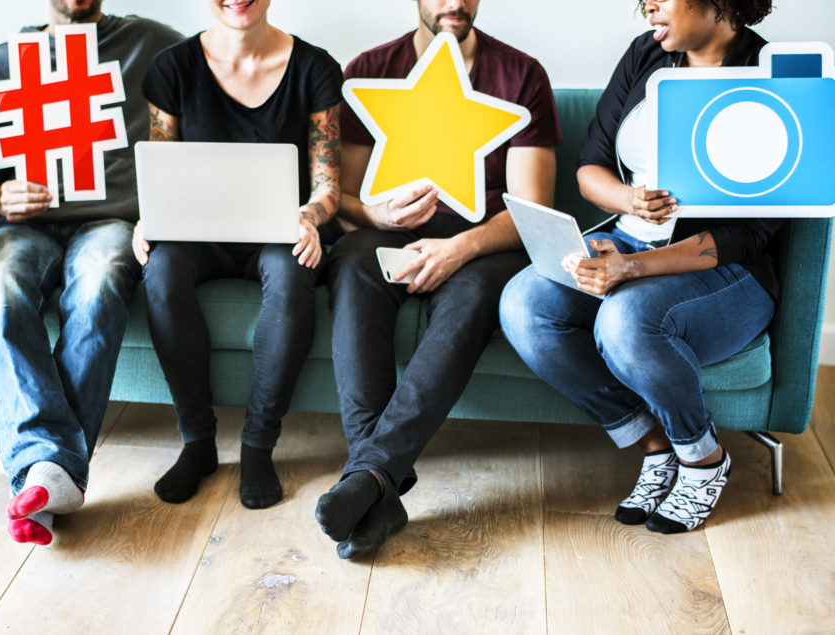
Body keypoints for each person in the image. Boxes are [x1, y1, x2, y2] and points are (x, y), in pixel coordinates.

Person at [500, 0, 780, 533]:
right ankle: (654, 446)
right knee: (524, 302)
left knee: (625, 321)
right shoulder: (645, 55)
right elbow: (591, 166)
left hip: (726, 270)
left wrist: (633, 268)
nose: (646, 5)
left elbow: (750, 234)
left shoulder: (769, 77)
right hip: (627, 237)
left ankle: (702, 459)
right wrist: (629, 201)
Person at [316, 0, 561, 558]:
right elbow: (345, 199)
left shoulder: (521, 75)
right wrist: (379, 217)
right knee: (352, 264)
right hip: (388, 232)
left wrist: (458, 248)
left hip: (485, 243)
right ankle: (377, 487)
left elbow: (531, 209)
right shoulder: (370, 71)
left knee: (475, 295)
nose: (454, 2)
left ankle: (369, 478)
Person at [0, 0, 181, 545]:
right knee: (2, 287)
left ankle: (41, 476)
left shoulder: (152, 43)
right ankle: (52, 470)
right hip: (24, 225)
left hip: (110, 221)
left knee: (101, 281)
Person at [132, 0, 342, 510]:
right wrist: (149, 217)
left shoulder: (315, 68)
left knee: (294, 273)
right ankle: (197, 442)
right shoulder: (173, 68)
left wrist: (310, 216)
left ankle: (257, 446)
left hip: (279, 231)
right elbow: (162, 167)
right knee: (159, 272)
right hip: (197, 236)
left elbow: (328, 183)